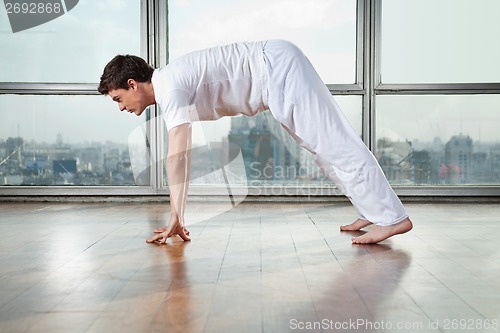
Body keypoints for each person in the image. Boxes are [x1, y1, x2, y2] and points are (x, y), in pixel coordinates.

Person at [97, 40, 413, 244]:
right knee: (321, 147)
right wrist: (177, 215)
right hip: (273, 74)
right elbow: (184, 156)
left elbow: (177, 156)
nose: (121, 107)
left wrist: (176, 217)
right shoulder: (169, 86)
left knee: (333, 143)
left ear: (132, 84)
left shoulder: (168, 86)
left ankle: (393, 219)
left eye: (118, 99)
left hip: (276, 69)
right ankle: (372, 210)